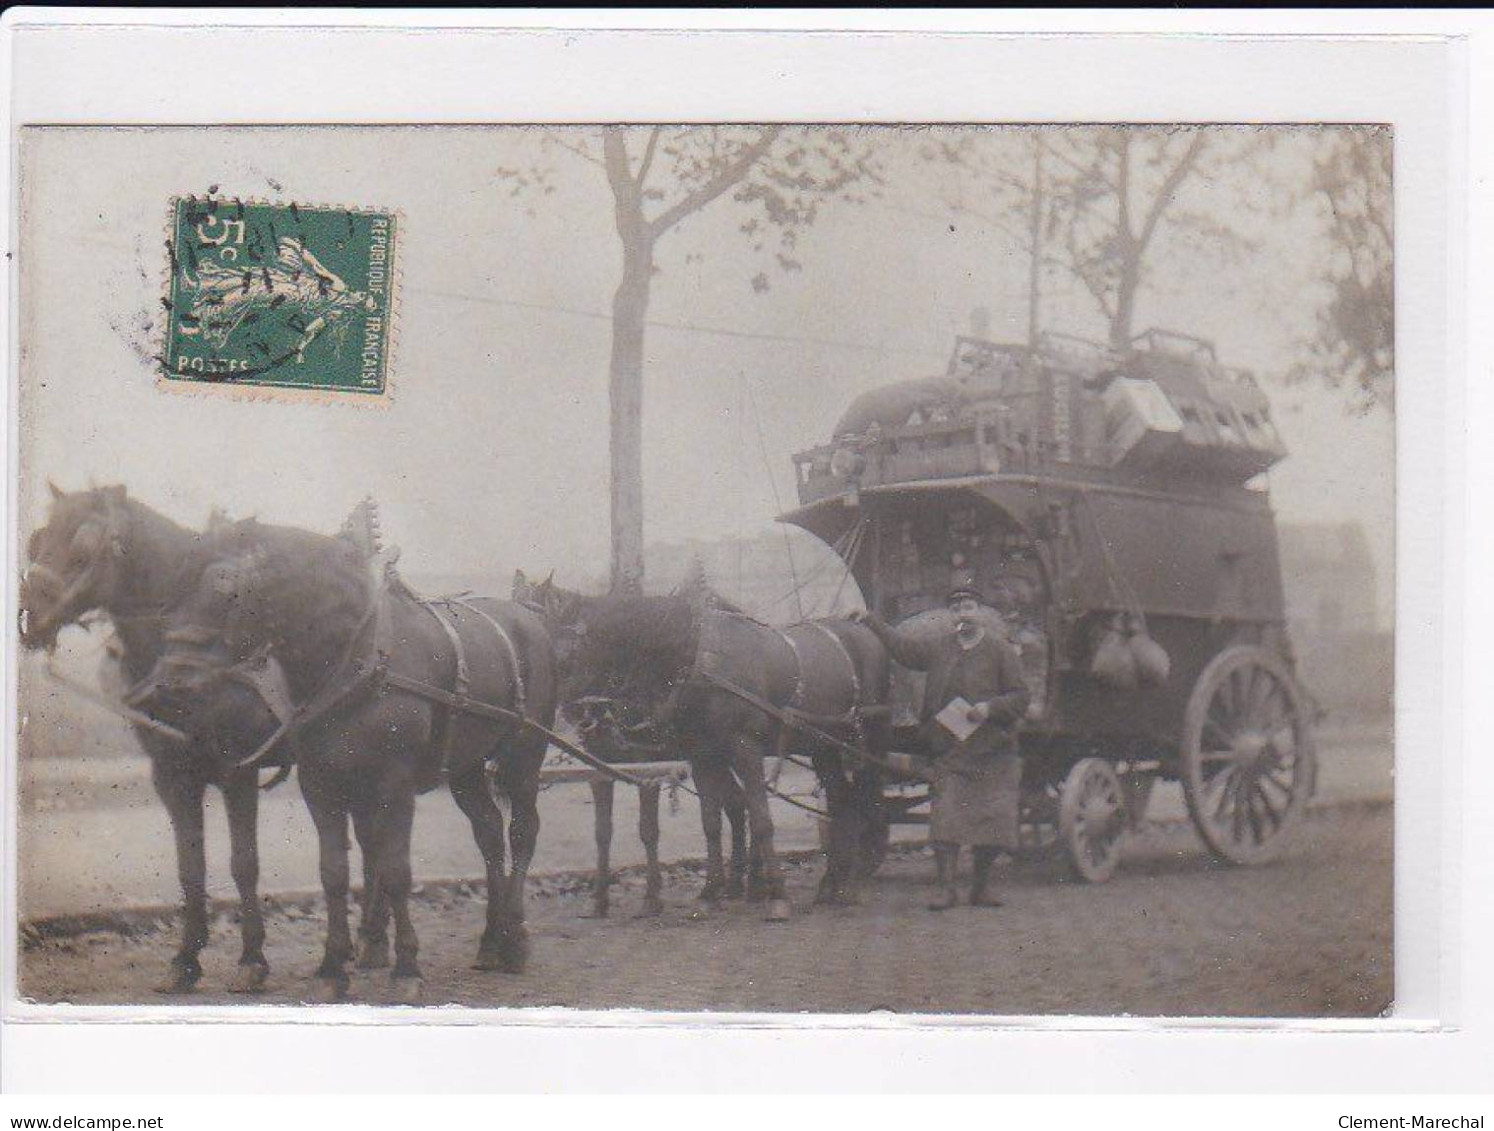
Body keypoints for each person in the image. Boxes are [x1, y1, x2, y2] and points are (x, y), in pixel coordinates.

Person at [853, 587, 1030, 910]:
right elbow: (904, 651)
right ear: (952, 616)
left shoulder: (999, 650)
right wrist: (871, 621)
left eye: (969, 606)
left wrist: (989, 708)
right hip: (949, 749)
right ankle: (946, 889)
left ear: (980, 612)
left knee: (991, 823)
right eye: (957, 608)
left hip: (991, 749)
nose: (963, 613)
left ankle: (981, 888)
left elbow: (1021, 696)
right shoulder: (940, 647)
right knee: (945, 818)